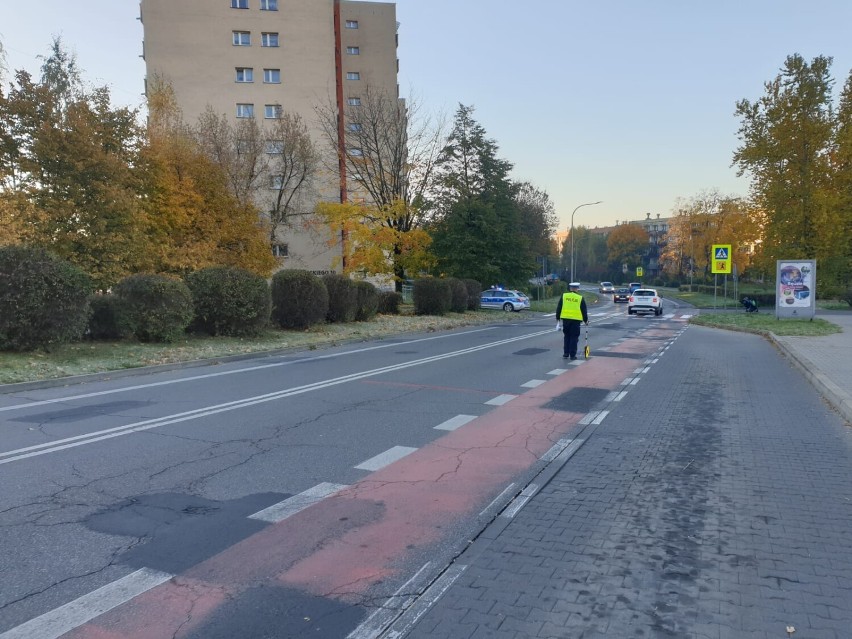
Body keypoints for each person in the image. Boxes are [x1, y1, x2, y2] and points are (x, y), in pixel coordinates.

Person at [555, 282, 589, 360]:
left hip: (565, 320)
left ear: (570, 288)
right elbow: (584, 311)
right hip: (576, 321)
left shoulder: (564, 296)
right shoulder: (580, 298)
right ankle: (572, 355)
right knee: (574, 337)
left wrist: (557, 318)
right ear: (577, 289)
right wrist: (586, 320)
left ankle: (566, 353)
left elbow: (559, 307)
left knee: (567, 337)